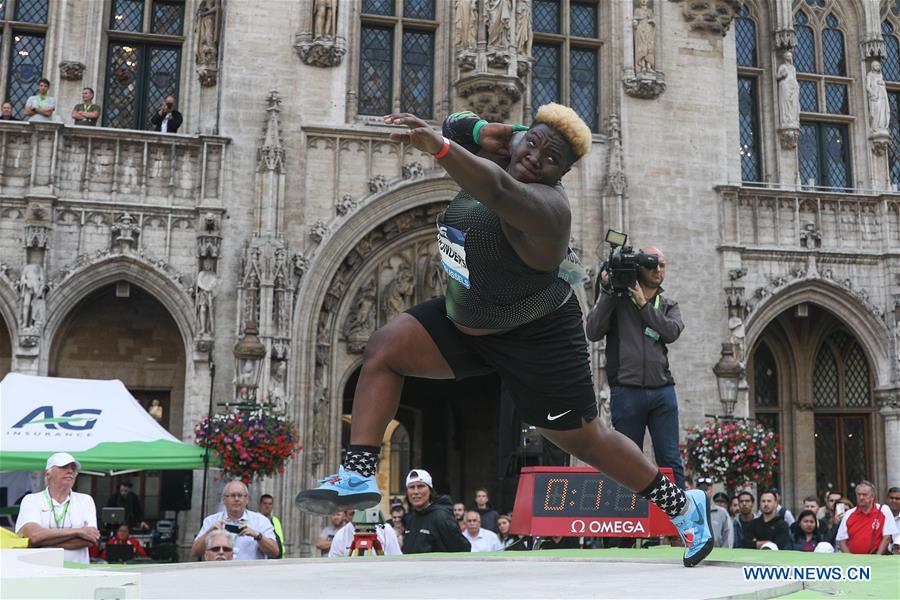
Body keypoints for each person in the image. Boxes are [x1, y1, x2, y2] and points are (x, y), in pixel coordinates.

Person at [295, 104, 714, 568]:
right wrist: (486, 131)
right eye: (531, 143)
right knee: (385, 349)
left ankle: (682, 506)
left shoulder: (548, 210)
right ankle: (357, 474)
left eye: (550, 159)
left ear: (562, 173)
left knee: (587, 441)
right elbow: (458, 122)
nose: (536, 159)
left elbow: (494, 188)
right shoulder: (504, 152)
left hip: (537, 335)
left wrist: (439, 145)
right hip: (469, 321)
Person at [585, 243, 687, 491]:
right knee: (629, 461)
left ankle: (680, 521)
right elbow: (593, 331)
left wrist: (643, 305)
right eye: (652, 264)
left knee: (671, 460)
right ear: (639, 267)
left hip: (663, 391)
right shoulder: (618, 303)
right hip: (627, 391)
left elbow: (671, 331)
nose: (658, 269)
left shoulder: (668, 305)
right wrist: (607, 292)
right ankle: (629, 525)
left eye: (662, 265)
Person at [15, 453, 100, 564]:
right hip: (40, 572)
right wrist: (79, 531)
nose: (70, 471)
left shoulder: (85, 500)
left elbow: (90, 540)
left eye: (73, 469)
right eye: (64, 467)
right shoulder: (31, 500)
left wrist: (43, 540)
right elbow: (33, 536)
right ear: (47, 473)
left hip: (77, 574)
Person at [191, 480, 279, 560]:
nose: (236, 499)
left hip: (251, 574)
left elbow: (275, 552)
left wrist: (257, 536)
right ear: (224, 500)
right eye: (232, 496)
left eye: (240, 496)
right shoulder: (211, 521)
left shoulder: (261, 521)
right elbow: (195, 552)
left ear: (247, 499)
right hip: (220, 574)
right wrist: (209, 532)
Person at [400, 469, 470, 554]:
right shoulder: (410, 518)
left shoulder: (441, 517)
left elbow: (462, 549)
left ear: (430, 490)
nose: (416, 492)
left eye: (420, 486)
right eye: (411, 487)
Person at [835, 480, 897, 555]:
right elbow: (842, 540)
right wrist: (850, 559)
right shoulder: (849, 514)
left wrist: (877, 558)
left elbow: (887, 538)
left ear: (872, 496)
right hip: (855, 562)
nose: (861, 497)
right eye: (859, 494)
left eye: (865, 494)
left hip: (877, 560)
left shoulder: (884, 510)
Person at [328, 509, 402, 557]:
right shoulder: (340, 536)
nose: (360, 518)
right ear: (346, 516)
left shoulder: (385, 529)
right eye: (353, 514)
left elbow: (396, 559)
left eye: (361, 511)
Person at [696, 477, 732, 548]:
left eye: (706, 489)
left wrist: (723, 555)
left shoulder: (722, 512)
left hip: (718, 555)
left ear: (712, 491)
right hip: (694, 555)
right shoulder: (690, 511)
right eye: (701, 489)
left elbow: (728, 537)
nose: (703, 492)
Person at [258, 494, 284, 558]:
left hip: (278, 559)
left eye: (270, 504)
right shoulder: (256, 520)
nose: (267, 506)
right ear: (260, 505)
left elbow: (280, 541)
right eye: (265, 503)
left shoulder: (276, 520)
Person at [887, 486, 900, 554]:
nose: (894, 501)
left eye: (897, 499)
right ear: (887, 499)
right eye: (891, 498)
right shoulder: (880, 516)